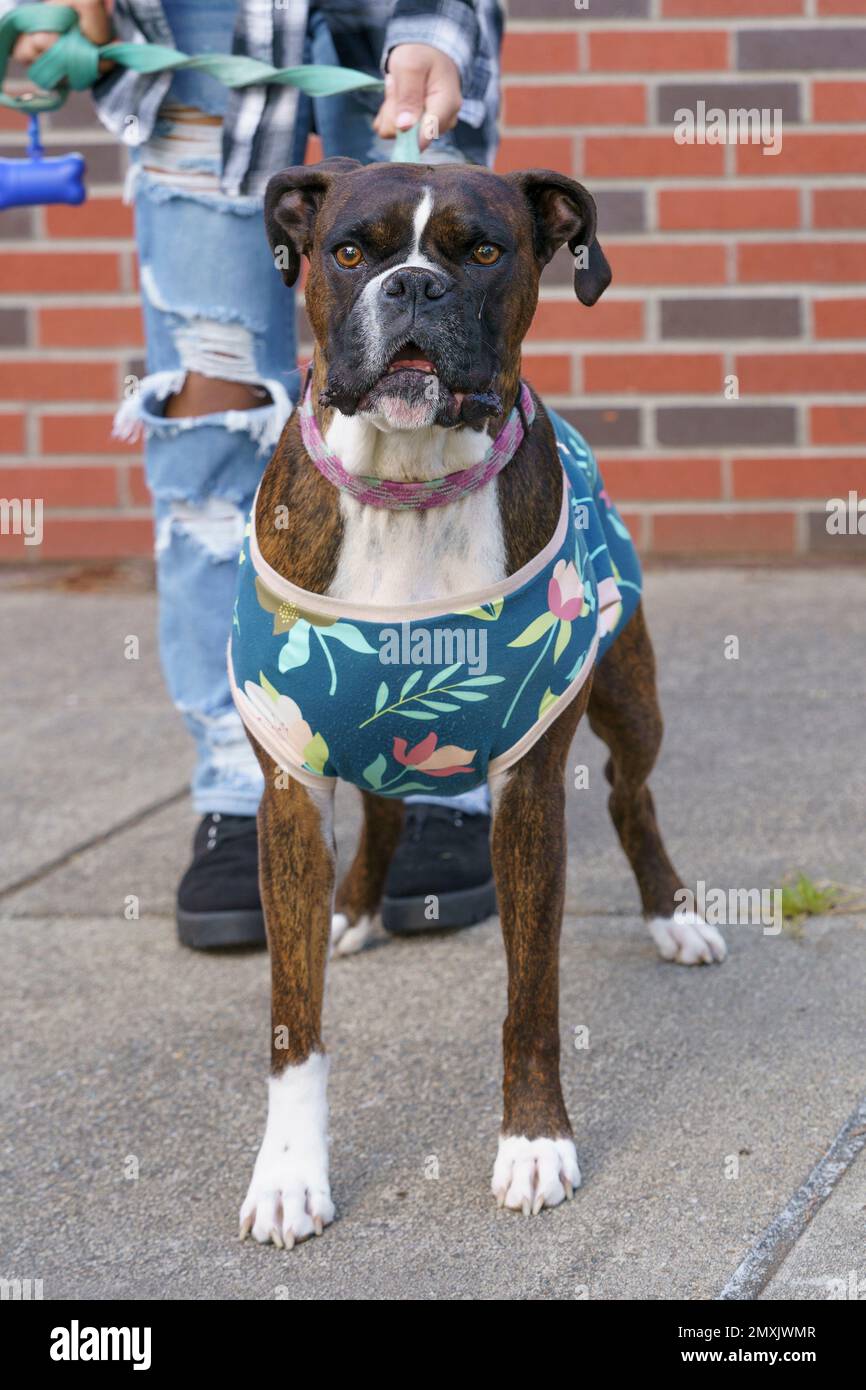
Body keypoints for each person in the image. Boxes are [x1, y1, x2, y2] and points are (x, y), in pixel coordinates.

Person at [11, 0, 504, 948]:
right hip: (198, 38)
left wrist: (439, 27)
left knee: (446, 397)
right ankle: (241, 789)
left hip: (410, 24)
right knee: (211, 420)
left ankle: (446, 770)